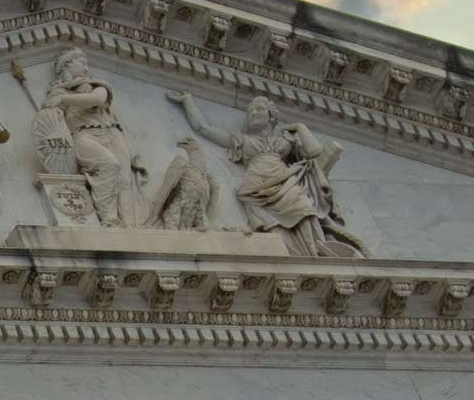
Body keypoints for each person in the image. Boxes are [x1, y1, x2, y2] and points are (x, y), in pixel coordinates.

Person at [167, 91, 367, 257]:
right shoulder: (243, 141)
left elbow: (315, 152)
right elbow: (203, 129)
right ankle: (293, 254)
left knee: (304, 208)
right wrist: (188, 102)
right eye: (250, 110)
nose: (253, 113)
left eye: (259, 109)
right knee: (273, 227)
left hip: (287, 181)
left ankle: (315, 252)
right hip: (257, 188)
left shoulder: (284, 141)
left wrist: (301, 127)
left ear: (272, 116)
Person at [31, 49, 145, 227]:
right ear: (66, 65)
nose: (86, 67)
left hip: (110, 132)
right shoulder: (55, 92)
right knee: (109, 164)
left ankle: (131, 225)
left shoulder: (97, 85)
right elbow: (52, 124)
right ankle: (109, 219)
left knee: (124, 179)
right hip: (81, 134)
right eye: (82, 63)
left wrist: (63, 99)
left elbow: (98, 99)